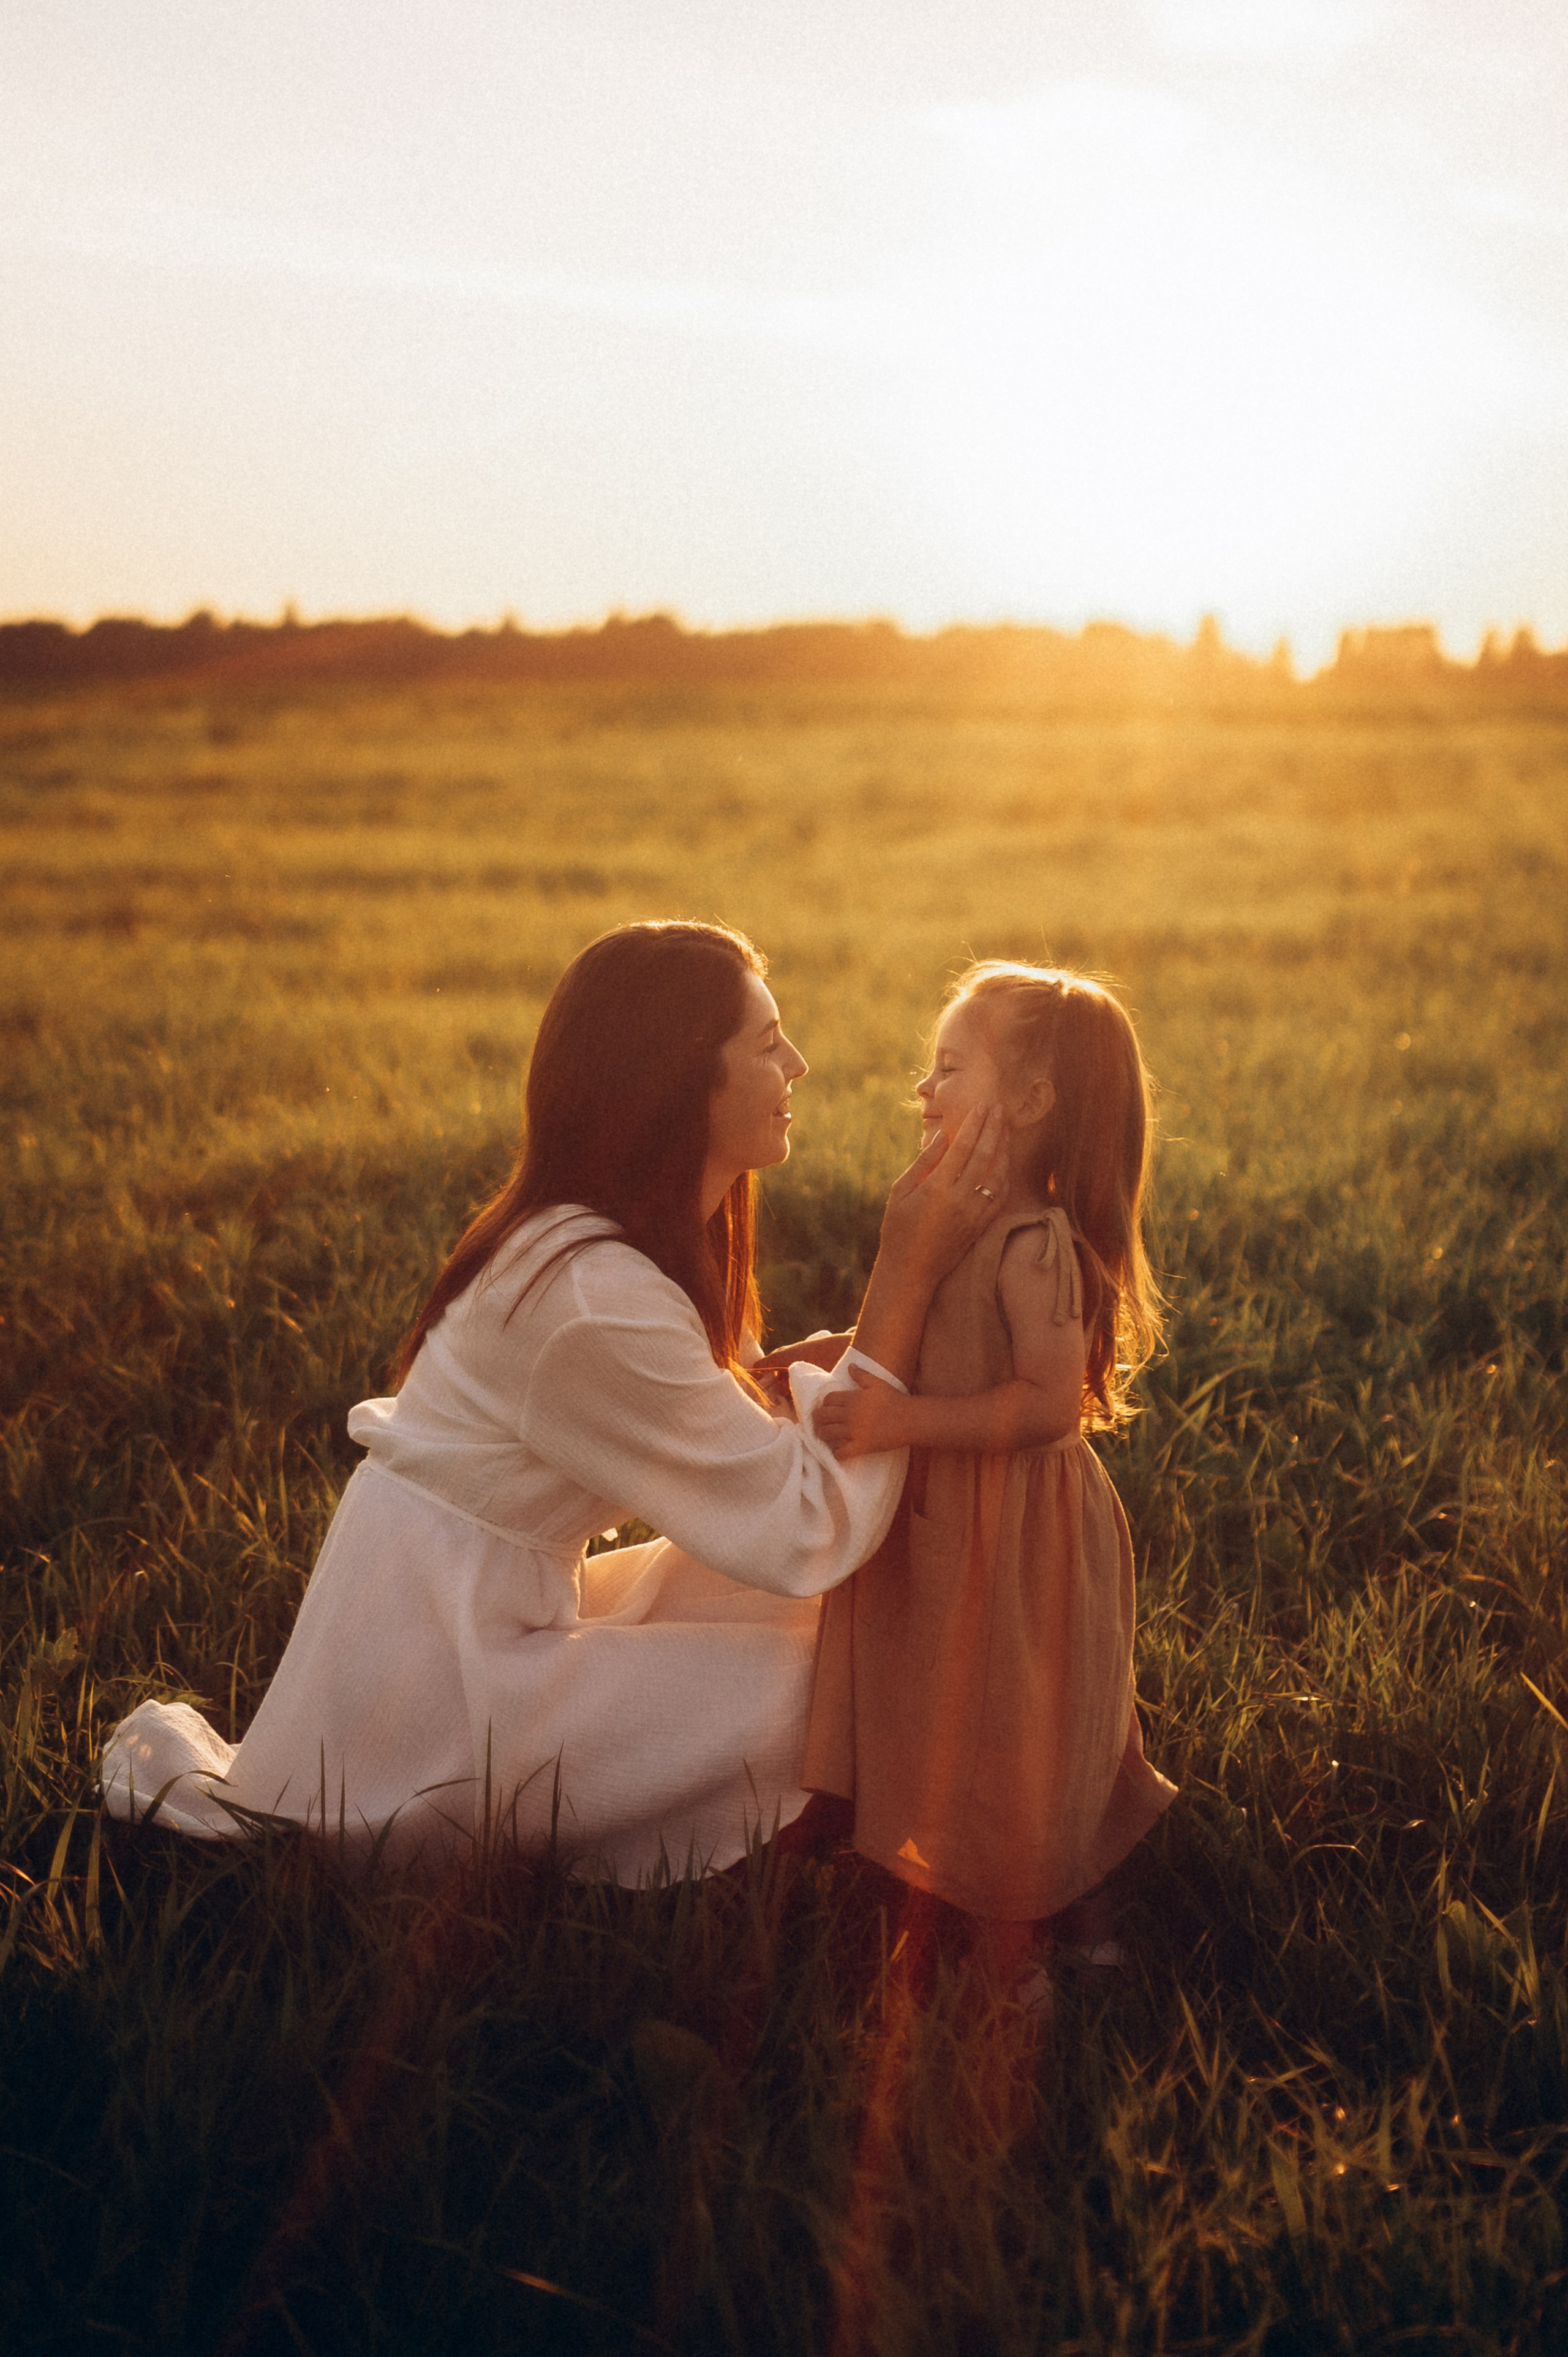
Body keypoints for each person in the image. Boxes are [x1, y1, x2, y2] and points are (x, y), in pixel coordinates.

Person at [101, 921, 1006, 1878]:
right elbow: (799, 1534)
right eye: (767, 1041)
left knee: (863, 1624)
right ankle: (844, 1878)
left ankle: (824, 1843)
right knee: (848, 1682)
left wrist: (819, 1370)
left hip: (483, 1618)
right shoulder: (591, 1295)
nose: (800, 1064)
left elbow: (727, 1445)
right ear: (678, 1079)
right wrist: (903, 1274)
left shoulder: (620, 1244)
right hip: (437, 1695)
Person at [783, 960, 1177, 1975]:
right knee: (930, 1709)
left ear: (1033, 1101)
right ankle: (924, 1880)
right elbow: (916, 1329)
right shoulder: (960, 1222)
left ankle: (1027, 1937)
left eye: (950, 1068)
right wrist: (816, 1355)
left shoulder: (1038, 1245)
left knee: (1010, 1728)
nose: (923, 1089)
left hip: (1013, 1531)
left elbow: (1048, 1406)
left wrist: (902, 1420)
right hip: (938, 1520)